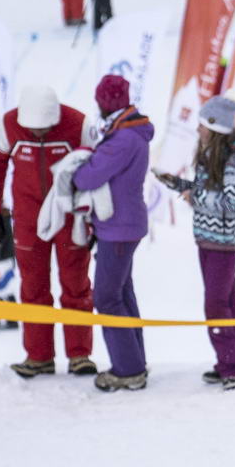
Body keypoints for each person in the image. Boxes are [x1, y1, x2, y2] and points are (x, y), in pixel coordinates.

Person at [0, 84, 100, 379]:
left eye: (45, 129)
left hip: (69, 214)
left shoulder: (78, 124)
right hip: (27, 218)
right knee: (33, 286)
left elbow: (100, 171)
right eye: (33, 130)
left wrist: (96, 216)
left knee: (75, 284)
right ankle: (38, 356)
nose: (38, 134)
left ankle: (79, 355)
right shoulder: (8, 124)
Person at [156, 95, 235, 389]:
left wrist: (196, 196)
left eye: (202, 125)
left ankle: (232, 365)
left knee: (215, 304)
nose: (198, 131)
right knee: (226, 301)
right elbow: (210, 192)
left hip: (225, 242)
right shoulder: (210, 154)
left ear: (215, 128)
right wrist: (181, 185)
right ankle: (234, 361)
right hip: (209, 239)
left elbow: (233, 202)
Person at [72, 75, 154, 391]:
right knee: (122, 293)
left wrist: (75, 166)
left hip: (118, 228)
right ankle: (134, 361)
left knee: (107, 297)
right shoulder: (130, 131)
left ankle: (128, 369)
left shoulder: (123, 139)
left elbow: (89, 177)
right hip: (125, 223)